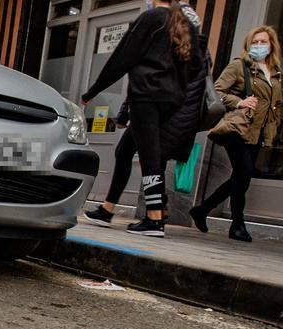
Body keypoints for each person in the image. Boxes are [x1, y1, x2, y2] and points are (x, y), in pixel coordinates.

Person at [81, 0, 207, 238]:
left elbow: (122, 57)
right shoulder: (182, 22)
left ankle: (154, 218)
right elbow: (197, 64)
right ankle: (107, 210)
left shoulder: (152, 18)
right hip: (170, 100)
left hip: (146, 97)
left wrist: (93, 91)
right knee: (124, 150)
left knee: (150, 158)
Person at [189, 26, 283, 243]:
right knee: (244, 173)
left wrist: (273, 126)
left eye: (263, 42)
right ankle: (237, 224)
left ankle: (203, 209)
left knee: (241, 176)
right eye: (255, 42)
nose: (259, 46)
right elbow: (217, 91)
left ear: (272, 46)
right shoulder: (240, 66)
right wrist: (239, 102)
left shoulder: (275, 72)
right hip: (239, 129)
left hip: (259, 132)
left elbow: (275, 104)